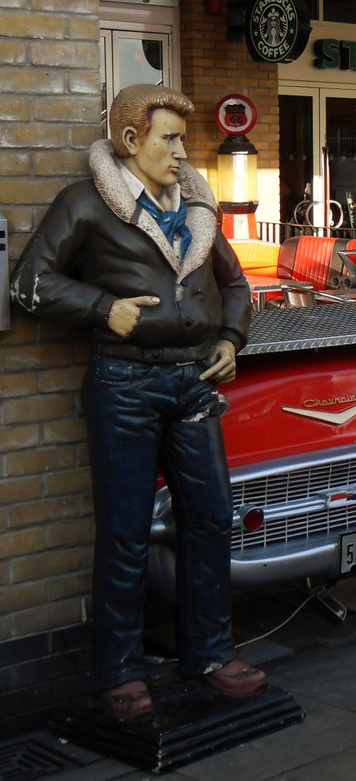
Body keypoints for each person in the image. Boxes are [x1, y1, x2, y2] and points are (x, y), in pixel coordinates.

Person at [10, 84, 264, 722]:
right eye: (169, 138)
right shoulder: (88, 205)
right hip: (124, 383)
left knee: (210, 518)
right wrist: (104, 308)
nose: (182, 152)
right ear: (130, 141)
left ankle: (208, 653)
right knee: (124, 532)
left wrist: (232, 338)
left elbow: (235, 285)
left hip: (194, 384)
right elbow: (28, 282)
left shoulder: (198, 212)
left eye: (184, 138)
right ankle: (119, 672)